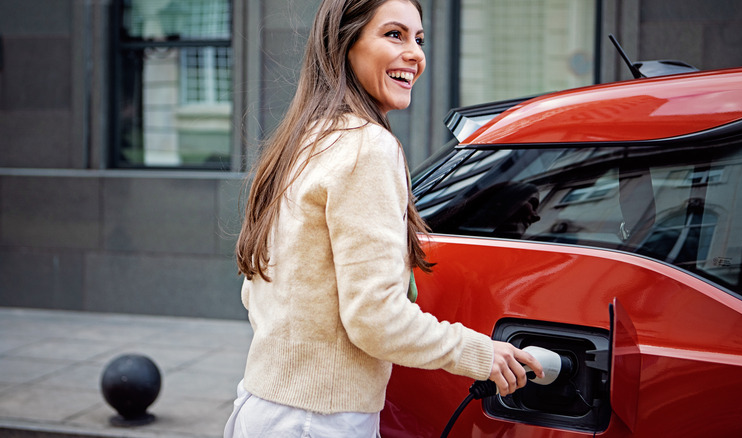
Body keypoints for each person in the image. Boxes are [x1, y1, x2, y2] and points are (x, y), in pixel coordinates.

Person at [224, 0, 544, 436]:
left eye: (419, 38)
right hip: (318, 421)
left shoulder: (302, 140)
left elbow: (255, 291)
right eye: (394, 34)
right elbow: (376, 318)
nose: (415, 53)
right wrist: (481, 353)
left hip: (262, 406)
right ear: (344, 44)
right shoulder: (367, 148)